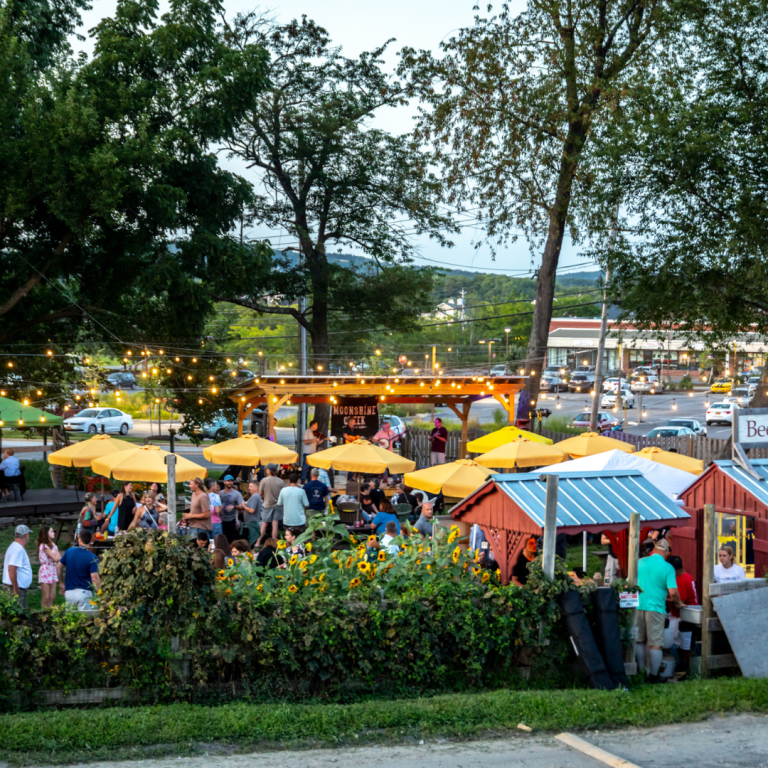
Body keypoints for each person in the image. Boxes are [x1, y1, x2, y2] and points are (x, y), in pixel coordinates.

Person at [635, 538, 682, 683]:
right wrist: (678, 603)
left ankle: (641, 672)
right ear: (667, 552)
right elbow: (673, 592)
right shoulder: (668, 568)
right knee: (656, 643)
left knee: (639, 640)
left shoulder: (640, 562)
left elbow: (629, 582)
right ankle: (654, 676)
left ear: (654, 550)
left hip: (637, 606)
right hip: (655, 608)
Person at [667, 554, 698, 674]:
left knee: (686, 647)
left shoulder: (681, 580)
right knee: (680, 645)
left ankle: (691, 670)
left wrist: (662, 599)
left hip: (686, 618)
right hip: (683, 616)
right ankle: (683, 665)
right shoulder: (687, 576)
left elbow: (679, 601)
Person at [57, 530, 100, 611]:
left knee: (70, 620)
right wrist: (99, 593)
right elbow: (94, 578)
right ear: (91, 540)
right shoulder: (92, 557)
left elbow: (58, 567)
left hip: (69, 593)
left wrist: (61, 583)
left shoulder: (69, 551)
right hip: (84, 593)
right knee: (85, 620)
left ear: (79, 539)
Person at [3, 524, 32, 608]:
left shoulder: (13, 546)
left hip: (10, 587)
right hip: (14, 588)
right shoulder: (18, 549)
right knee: (20, 617)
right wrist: (16, 588)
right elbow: (11, 568)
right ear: (26, 535)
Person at [258, 464, 284, 547]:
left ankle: (258, 542)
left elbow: (260, 493)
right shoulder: (280, 481)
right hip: (278, 505)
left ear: (269, 470)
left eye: (266, 469)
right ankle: (274, 543)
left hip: (267, 504)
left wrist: (264, 496)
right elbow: (283, 494)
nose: (265, 471)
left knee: (264, 524)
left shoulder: (264, 480)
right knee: (275, 524)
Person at [37, 525, 60, 608]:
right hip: (45, 570)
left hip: (53, 570)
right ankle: (43, 614)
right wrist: (55, 556)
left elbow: (59, 557)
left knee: (52, 595)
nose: (53, 532)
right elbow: (55, 558)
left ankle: (50, 613)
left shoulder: (53, 544)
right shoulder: (43, 546)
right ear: (46, 534)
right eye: (51, 531)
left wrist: (56, 557)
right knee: (46, 597)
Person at [219, 475, 244, 542]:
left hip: (231, 520)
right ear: (224, 482)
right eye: (228, 481)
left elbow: (242, 506)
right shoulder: (219, 493)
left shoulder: (237, 494)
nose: (230, 482)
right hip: (220, 520)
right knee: (221, 541)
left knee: (232, 541)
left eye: (231, 481)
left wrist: (234, 507)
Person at [239, 481, 263, 546]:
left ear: (256, 487)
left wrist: (244, 506)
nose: (249, 488)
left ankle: (251, 555)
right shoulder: (256, 496)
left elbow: (252, 510)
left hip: (252, 523)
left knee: (250, 544)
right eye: (249, 486)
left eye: (251, 486)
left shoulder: (255, 497)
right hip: (252, 522)